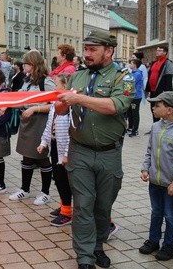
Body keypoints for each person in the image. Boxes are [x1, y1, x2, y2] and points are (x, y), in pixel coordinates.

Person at [56, 30, 134, 269]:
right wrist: (59, 102)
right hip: (80, 150)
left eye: (93, 50)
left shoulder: (123, 77)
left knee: (103, 206)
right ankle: (85, 256)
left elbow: (117, 106)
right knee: (83, 205)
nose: (86, 54)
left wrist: (79, 100)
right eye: (86, 49)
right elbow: (62, 110)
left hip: (110, 152)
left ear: (109, 51)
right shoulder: (77, 76)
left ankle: (98, 246)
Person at [9, 50, 55, 205]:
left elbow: (56, 106)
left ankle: (45, 192)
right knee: (26, 155)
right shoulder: (27, 81)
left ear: (34, 64)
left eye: (26, 63)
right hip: (27, 121)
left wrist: (35, 109)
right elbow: (21, 98)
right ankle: (25, 189)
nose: (23, 65)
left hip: (40, 121)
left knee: (42, 157)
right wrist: (6, 103)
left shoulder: (46, 82)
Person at [139, 91, 173, 261]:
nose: (153, 108)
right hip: (155, 181)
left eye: (157, 105)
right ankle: (153, 240)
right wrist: (145, 168)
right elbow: (149, 151)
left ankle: (169, 246)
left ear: (169, 110)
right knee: (156, 212)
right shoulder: (155, 127)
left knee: (170, 214)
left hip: (171, 184)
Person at [37, 74, 73, 227]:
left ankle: (67, 213)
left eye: (56, 83)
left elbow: (73, 132)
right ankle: (64, 205)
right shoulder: (54, 104)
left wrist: (66, 154)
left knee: (65, 181)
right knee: (58, 179)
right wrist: (43, 142)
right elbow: (49, 126)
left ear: (65, 86)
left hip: (65, 149)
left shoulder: (71, 106)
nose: (54, 86)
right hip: (54, 146)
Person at [146, 45, 173, 122]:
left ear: (165, 52)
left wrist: (167, 93)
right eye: (157, 50)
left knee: (163, 111)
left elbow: (169, 79)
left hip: (161, 92)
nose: (157, 52)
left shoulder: (168, 63)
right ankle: (155, 127)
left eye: (160, 50)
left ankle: (165, 127)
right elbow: (150, 76)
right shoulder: (154, 62)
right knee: (154, 110)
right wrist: (147, 89)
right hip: (153, 91)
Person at [127, 59, 144, 137]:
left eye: (131, 63)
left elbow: (130, 83)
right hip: (131, 96)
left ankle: (135, 130)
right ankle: (130, 127)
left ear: (135, 65)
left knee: (135, 113)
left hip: (136, 97)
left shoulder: (137, 74)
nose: (130, 65)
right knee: (130, 113)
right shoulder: (132, 73)